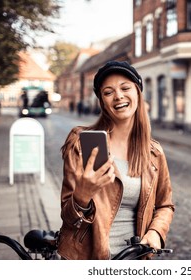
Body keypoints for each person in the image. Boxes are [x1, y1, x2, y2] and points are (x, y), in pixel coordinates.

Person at [57, 60, 175, 260]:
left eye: (125, 88)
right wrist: (82, 196)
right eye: (108, 92)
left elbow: (165, 205)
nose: (118, 96)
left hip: (134, 257)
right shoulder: (80, 143)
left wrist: (156, 231)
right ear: (102, 102)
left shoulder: (154, 152)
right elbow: (68, 220)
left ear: (138, 92)